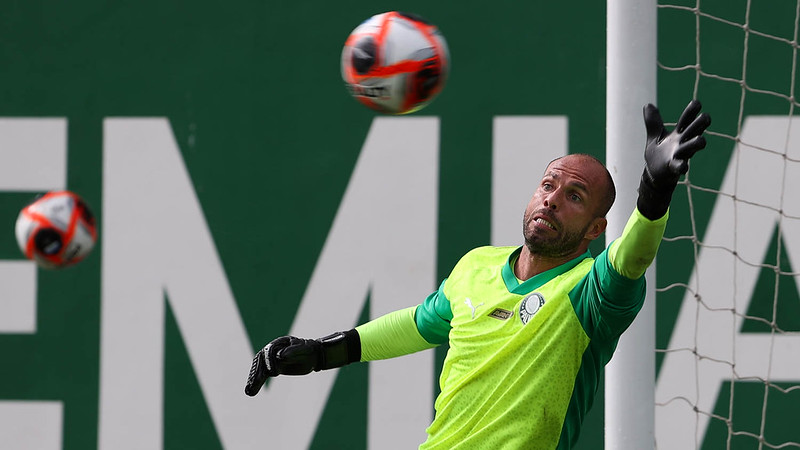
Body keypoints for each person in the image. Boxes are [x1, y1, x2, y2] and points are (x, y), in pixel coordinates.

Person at [244, 100, 711, 449]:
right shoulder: (477, 265)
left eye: (574, 195)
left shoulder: (591, 292)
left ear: (596, 227)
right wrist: (322, 352)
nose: (551, 198)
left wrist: (654, 192)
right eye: (548, 185)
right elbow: (419, 324)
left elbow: (632, 257)